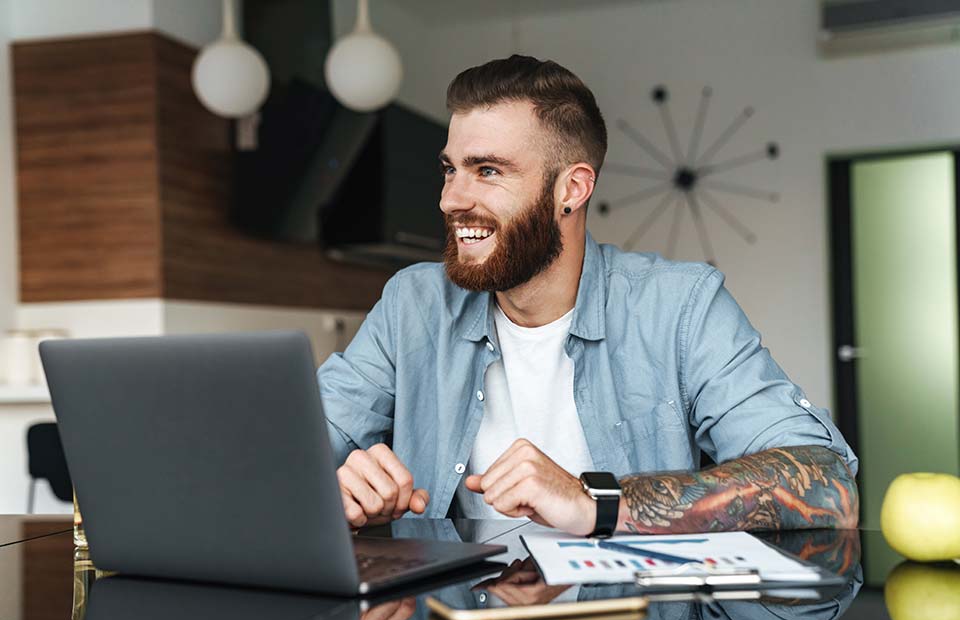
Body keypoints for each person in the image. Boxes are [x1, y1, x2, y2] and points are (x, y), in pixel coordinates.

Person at [317, 55, 858, 537]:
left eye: (487, 171)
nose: (451, 199)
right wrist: (331, 481)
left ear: (571, 189)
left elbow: (827, 486)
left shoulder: (680, 308)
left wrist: (597, 502)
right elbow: (288, 447)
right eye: (450, 170)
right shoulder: (413, 304)